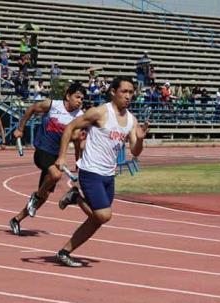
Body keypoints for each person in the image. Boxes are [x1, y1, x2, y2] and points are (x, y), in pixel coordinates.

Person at [53, 76, 149, 267]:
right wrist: (62, 156)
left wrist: (139, 139)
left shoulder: (131, 120)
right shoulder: (99, 112)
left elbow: (135, 152)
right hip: (90, 171)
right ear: (113, 92)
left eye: (131, 92)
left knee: (97, 220)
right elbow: (70, 127)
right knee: (104, 215)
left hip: (108, 175)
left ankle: (64, 252)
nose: (128, 96)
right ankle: (76, 197)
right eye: (124, 91)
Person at [9, 83, 86, 235]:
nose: (79, 101)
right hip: (42, 151)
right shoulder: (52, 105)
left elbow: (78, 144)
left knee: (44, 196)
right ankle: (35, 197)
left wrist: (79, 166)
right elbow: (31, 109)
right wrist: (20, 128)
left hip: (58, 158)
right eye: (77, 97)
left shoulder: (80, 116)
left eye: (82, 99)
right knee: (56, 175)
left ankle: (16, 219)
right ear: (68, 96)